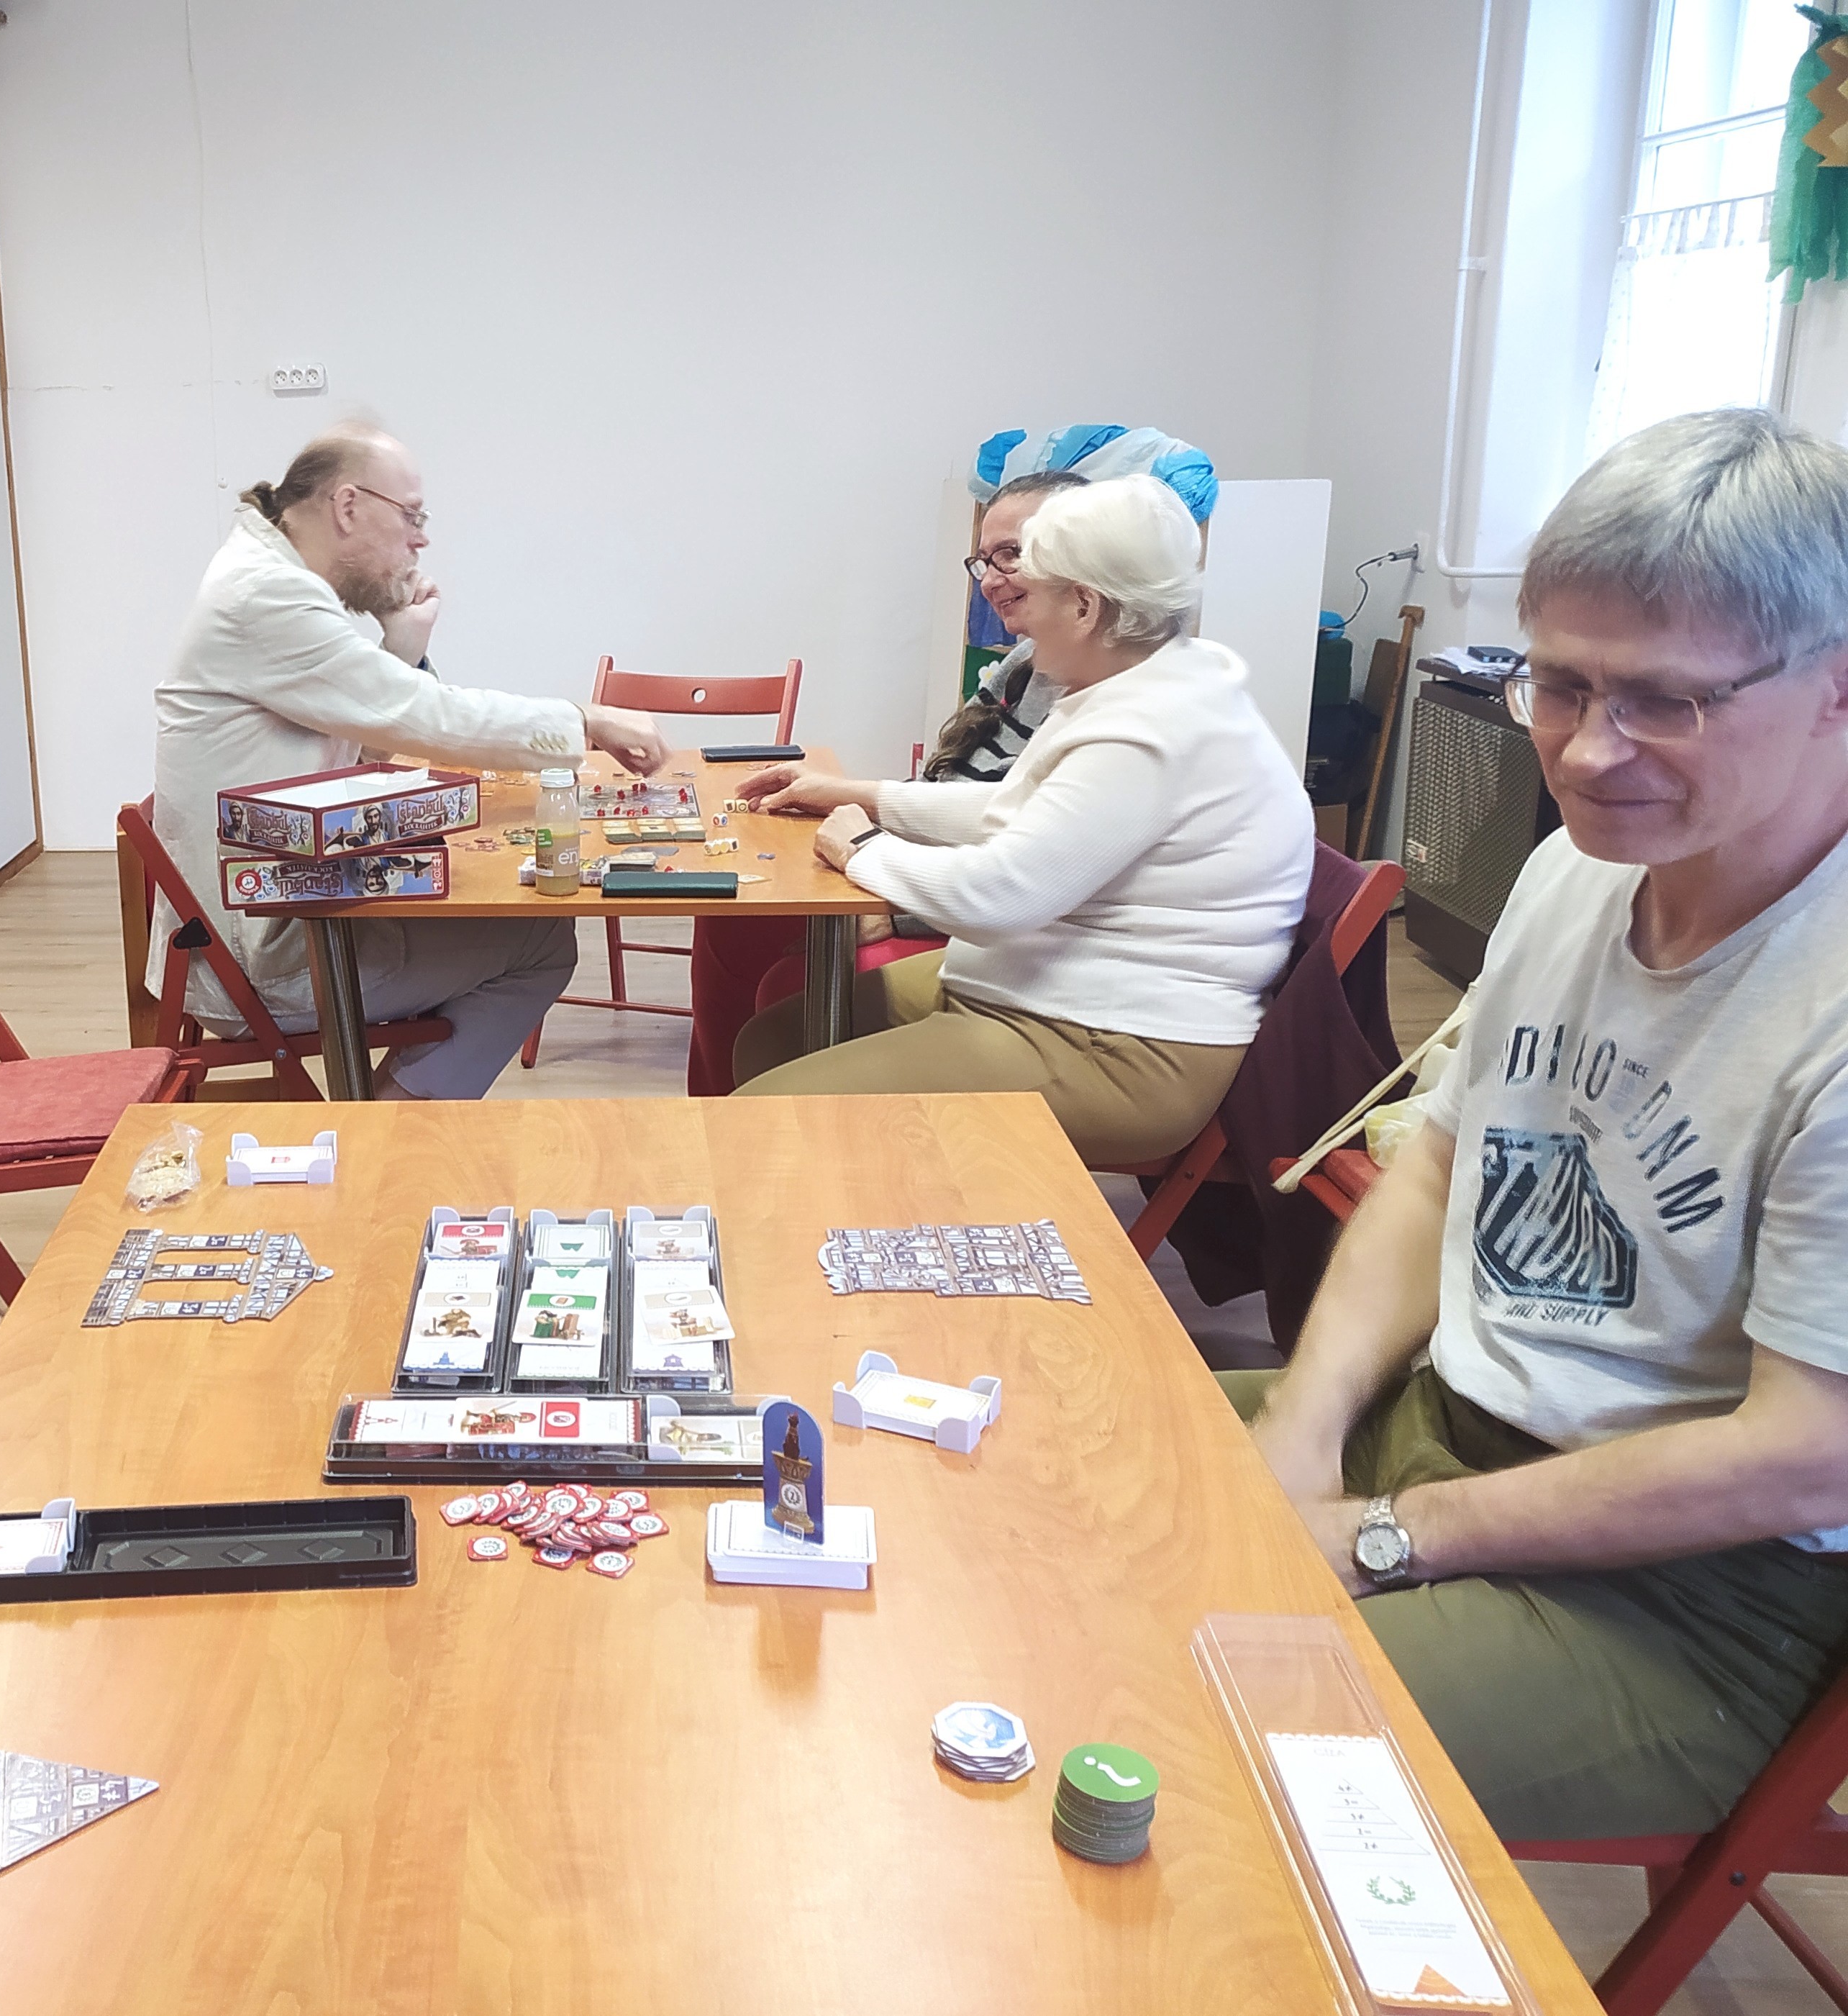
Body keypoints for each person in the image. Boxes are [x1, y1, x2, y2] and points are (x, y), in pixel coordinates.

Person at [1232, 408, 1848, 1840]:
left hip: (1686, 1597)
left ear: (1834, 687)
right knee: (1075, 1475)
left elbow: (1807, 1450)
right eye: (1557, 684)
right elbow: (1441, 1161)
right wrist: (1306, 1425)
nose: (1586, 751)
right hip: (1445, 1424)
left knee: (1199, 1732)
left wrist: (1388, 1535)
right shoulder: (1583, 866)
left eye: (1663, 701)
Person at [729, 475, 1311, 1163]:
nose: (1012, 613)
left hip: (1114, 1045)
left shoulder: (1150, 729)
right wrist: (861, 795)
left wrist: (864, 849)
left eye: (1028, 590)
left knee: (764, 1118)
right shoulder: (1138, 682)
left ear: (1084, 606)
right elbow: (1020, 812)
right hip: (1041, 991)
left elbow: (998, 899)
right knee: (770, 1041)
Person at [152, 424, 671, 1099]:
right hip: (260, 959)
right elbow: (427, 718)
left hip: (266, 918)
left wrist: (401, 644)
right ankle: (387, 1134)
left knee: (520, 925)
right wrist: (586, 719)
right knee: (540, 943)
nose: (420, 540)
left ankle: (387, 1119)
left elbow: (363, 737)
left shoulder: (266, 579)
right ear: (348, 506)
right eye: (412, 516)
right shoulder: (265, 596)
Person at [681, 469, 1089, 1096]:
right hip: (924, 878)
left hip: (979, 921)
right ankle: (716, 1116)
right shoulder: (1024, 662)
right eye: (984, 560)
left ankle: (781, 1120)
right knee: (733, 916)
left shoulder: (1111, 703)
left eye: (1013, 554)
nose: (991, 580)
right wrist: (846, 796)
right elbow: (960, 793)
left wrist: (893, 910)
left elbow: (1033, 880)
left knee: (788, 990)